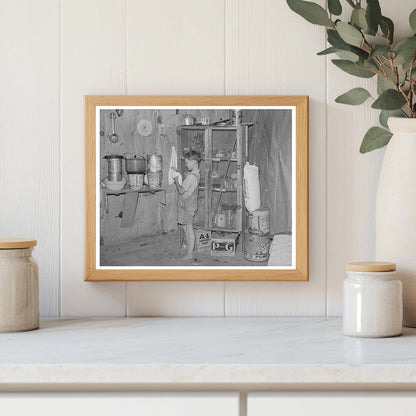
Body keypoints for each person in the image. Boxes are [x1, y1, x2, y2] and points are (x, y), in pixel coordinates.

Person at [174, 150, 201, 260]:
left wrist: (176, 179)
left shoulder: (191, 177)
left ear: (194, 162)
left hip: (188, 206)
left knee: (189, 229)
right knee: (185, 227)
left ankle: (190, 253)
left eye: (187, 162)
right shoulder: (195, 174)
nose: (185, 165)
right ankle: (189, 247)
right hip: (187, 205)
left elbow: (181, 191)